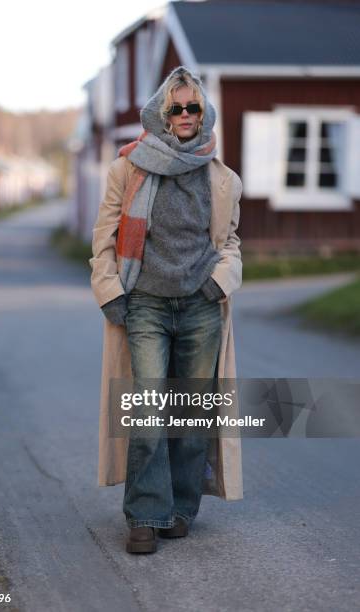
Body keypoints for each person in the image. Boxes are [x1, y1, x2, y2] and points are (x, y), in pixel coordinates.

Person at [90, 65, 243, 554]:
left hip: (200, 304)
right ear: (161, 113)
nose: (183, 115)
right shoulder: (128, 168)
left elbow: (230, 242)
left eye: (192, 107)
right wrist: (111, 292)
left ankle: (180, 508)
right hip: (147, 305)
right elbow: (104, 238)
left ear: (204, 113)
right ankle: (144, 515)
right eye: (174, 107)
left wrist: (218, 284)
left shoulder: (221, 177)